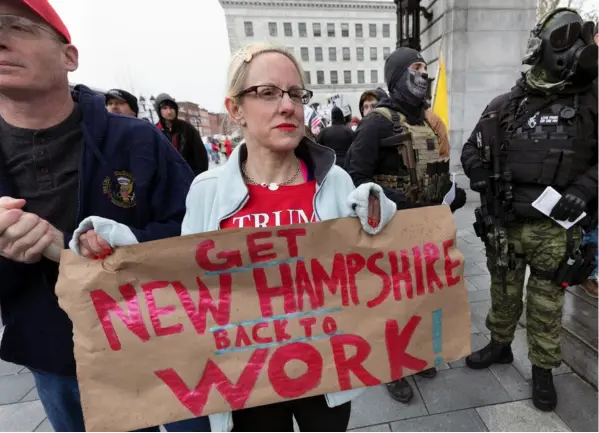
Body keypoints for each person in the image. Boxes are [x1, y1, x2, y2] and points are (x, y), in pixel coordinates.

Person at [0, 1, 209, 431]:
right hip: (57, 355)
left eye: (15, 25)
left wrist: (125, 244)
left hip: (161, 340)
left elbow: (197, 234)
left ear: (68, 56)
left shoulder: (137, 139)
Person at [176, 43, 397, 432]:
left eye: (296, 93)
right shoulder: (206, 191)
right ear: (235, 109)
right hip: (248, 376)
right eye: (268, 93)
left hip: (326, 368)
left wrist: (380, 216)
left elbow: (368, 266)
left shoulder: (335, 180)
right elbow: (184, 282)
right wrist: (117, 254)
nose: (288, 106)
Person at [461, 8, 598, 411]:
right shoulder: (508, 103)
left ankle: (542, 371)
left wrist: (585, 188)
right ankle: (500, 345)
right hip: (506, 222)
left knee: (545, 304)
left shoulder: (591, 104)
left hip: (555, 229)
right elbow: (471, 148)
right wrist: (480, 175)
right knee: (502, 292)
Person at [345, 46, 467, 404]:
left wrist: (450, 194)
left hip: (429, 229)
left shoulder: (428, 121)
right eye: (415, 67)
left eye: (425, 68)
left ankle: (416, 357)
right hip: (392, 231)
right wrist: (393, 201)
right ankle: (391, 367)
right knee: (393, 305)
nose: (423, 74)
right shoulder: (377, 122)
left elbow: (436, 167)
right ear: (397, 76)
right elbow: (355, 177)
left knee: (423, 299)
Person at [154, 93, 209, 176]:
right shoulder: (155, 132)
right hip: (167, 180)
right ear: (159, 111)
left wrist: (197, 176)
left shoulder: (188, 129)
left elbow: (201, 156)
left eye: (171, 108)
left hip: (189, 178)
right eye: (164, 108)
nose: (169, 112)